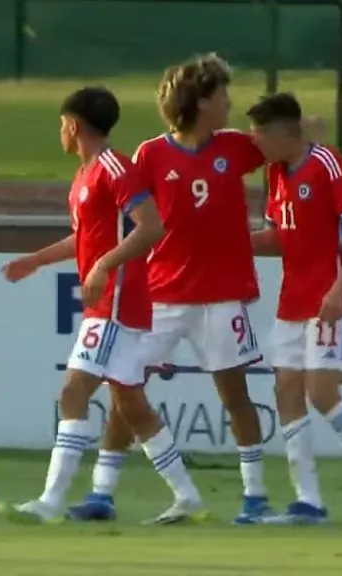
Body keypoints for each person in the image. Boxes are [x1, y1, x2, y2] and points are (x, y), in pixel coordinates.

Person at [66, 54, 272, 525]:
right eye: (222, 96)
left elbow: (284, 150)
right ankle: (102, 493)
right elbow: (133, 221)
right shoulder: (150, 155)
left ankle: (255, 496)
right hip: (162, 293)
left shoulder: (239, 148)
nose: (229, 104)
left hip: (222, 294)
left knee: (234, 394)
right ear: (200, 103)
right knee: (126, 388)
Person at [1, 86, 206, 525]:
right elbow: (87, 238)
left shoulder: (115, 167)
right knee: (130, 403)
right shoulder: (85, 176)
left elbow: (151, 227)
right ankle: (187, 495)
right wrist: (37, 259)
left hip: (115, 300)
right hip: (114, 301)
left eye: (61, 124)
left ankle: (51, 501)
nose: (61, 132)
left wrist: (102, 268)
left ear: (73, 125)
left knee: (74, 391)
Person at [247, 93, 342, 526]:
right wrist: (229, 241)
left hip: (329, 299)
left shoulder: (326, 164)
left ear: (281, 132)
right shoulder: (276, 174)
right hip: (292, 300)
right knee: (286, 392)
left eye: (260, 137)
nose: (256, 147)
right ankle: (308, 501)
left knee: (322, 393)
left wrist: (338, 289)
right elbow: (277, 236)